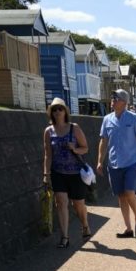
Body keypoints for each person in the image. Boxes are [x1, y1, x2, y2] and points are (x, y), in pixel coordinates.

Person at [97, 90, 136, 239]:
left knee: (129, 192)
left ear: (124, 102)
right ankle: (128, 229)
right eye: (112, 97)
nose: (112, 100)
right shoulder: (107, 119)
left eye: (115, 98)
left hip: (131, 162)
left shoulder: (133, 118)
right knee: (121, 196)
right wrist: (99, 161)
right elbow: (103, 141)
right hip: (114, 163)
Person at [43, 97, 91, 248]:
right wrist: (46, 174)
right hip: (58, 173)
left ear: (65, 111)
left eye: (60, 109)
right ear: (51, 112)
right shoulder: (48, 131)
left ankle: (85, 225)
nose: (57, 111)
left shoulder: (74, 128)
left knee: (78, 205)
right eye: (54, 109)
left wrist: (74, 149)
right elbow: (48, 154)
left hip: (75, 173)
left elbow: (85, 147)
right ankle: (65, 237)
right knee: (61, 202)